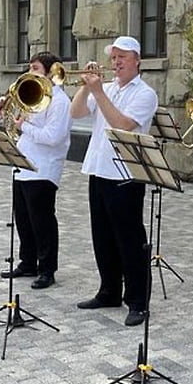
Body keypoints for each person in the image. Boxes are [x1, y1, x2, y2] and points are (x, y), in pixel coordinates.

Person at [69, 36, 158, 327]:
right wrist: (86, 87)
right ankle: (108, 290)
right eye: (114, 57)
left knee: (130, 240)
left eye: (122, 57)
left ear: (137, 60)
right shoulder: (105, 88)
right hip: (99, 169)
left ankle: (137, 301)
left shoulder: (144, 94)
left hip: (125, 175)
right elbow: (76, 112)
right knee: (102, 236)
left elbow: (122, 125)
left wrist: (99, 92)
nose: (116, 62)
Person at [0, 51, 73, 290]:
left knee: (42, 221)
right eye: (30, 67)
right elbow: (9, 116)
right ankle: (27, 262)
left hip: (44, 169)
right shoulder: (30, 94)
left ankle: (47, 269)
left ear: (52, 72)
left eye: (36, 68)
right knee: (23, 219)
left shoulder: (60, 102)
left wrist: (24, 126)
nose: (31, 72)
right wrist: (0, 105)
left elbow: (53, 137)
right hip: (23, 164)